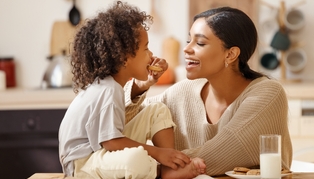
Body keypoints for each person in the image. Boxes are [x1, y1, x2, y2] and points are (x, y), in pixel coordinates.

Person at [124, 6, 293, 178]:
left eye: (200, 43)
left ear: (231, 54)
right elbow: (113, 127)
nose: (186, 49)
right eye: (189, 40)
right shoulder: (183, 92)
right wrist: (139, 86)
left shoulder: (267, 94)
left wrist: (144, 165)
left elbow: (218, 155)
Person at [58, 1, 206, 179]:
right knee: (136, 159)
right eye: (146, 49)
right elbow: (111, 142)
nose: (151, 55)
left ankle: (169, 167)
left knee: (156, 111)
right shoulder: (109, 89)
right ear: (124, 58)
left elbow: (112, 139)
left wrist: (148, 81)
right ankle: (162, 171)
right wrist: (158, 153)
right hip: (82, 164)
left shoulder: (111, 86)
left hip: (100, 150)